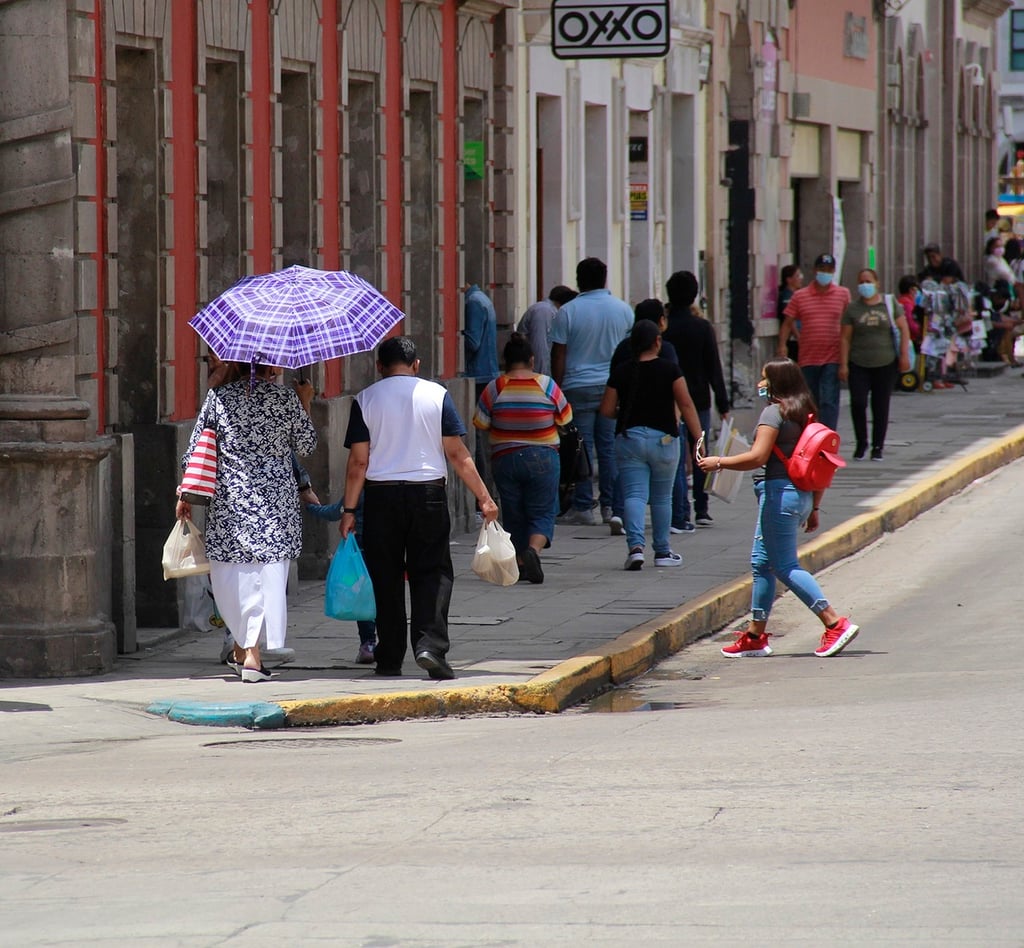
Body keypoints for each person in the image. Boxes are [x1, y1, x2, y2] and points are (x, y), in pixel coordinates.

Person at [338, 336, 498, 680]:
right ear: (417, 365)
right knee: (433, 573)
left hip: (381, 499)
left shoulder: (365, 400)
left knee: (385, 576)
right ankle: (429, 647)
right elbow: (457, 454)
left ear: (379, 366)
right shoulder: (437, 395)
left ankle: (389, 657)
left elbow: (358, 463)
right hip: (428, 495)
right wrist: (483, 498)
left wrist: (349, 510)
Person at [695, 358, 859, 658]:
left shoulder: (773, 412)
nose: (760, 385)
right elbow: (819, 463)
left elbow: (757, 457)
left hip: (779, 494)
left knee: (784, 565)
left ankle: (834, 622)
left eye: (764, 379)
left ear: (777, 384)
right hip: (800, 495)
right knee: (761, 563)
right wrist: (815, 508)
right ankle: (755, 636)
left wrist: (718, 462)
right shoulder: (805, 413)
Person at [176, 361, 317, 682]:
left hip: (231, 503)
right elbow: (307, 445)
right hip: (274, 506)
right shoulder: (285, 400)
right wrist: (304, 400)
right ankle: (251, 655)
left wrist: (185, 492)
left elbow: (195, 451)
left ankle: (243, 647)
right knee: (265, 577)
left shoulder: (218, 398)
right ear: (274, 367)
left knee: (231, 575)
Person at [599, 320, 702, 571]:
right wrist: (698, 439)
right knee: (661, 498)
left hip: (630, 440)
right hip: (664, 441)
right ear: (658, 342)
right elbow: (686, 405)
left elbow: (606, 409)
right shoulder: (671, 370)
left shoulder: (621, 371)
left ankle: (635, 548)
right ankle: (663, 551)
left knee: (634, 494)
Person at [473, 333, 572, 584]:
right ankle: (533, 551)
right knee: (542, 510)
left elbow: (480, 422)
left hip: (505, 458)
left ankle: (519, 562)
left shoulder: (496, 386)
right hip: (544, 457)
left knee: (514, 512)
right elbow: (565, 419)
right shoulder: (547, 385)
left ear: (505, 361)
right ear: (531, 359)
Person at [550, 257, 634, 526]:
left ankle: (584, 506)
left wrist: (557, 389)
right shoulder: (623, 310)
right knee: (608, 448)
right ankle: (610, 507)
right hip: (613, 387)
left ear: (578, 280)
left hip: (577, 386)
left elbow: (559, 355)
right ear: (605, 278)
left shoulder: (568, 311)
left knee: (579, 448)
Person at [662, 270, 731, 532]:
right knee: (700, 452)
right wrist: (723, 405)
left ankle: (680, 509)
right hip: (699, 399)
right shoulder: (702, 327)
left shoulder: (665, 329)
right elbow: (714, 367)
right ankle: (702, 507)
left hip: (670, 402)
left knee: (677, 457)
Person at [839, 268, 911, 461]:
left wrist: (904, 355)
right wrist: (843, 364)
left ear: (877, 283)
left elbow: (904, 329)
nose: (865, 285)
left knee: (880, 405)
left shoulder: (889, 304)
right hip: (858, 363)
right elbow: (845, 338)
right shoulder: (853, 309)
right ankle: (861, 442)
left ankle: (878, 446)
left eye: (868, 281)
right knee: (858, 403)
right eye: (861, 282)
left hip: (885, 363)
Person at [777, 253, 849, 432]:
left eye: (829, 270)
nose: (825, 273)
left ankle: (827, 439)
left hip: (833, 356)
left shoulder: (843, 294)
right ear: (815, 270)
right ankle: (812, 437)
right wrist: (782, 345)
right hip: (808, 357)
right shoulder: (800, 296)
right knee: (810, 402)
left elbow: (849, 326)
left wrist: (847, 359)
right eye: (821, 269)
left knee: (829, 399)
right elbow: (787, 323)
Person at [304, 494, 378, 663]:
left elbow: (334, 512)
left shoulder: (359, 491)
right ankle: (389, 643)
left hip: (359, 554)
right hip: (387, 549)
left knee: (361, 596)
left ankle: (368, 644)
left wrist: (311, 507)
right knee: (386, 596)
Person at [517, 285, 577, 376]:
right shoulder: (544, 311)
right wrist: (542, 378)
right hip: (532, 373)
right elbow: (540, 347)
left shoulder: (548, 311)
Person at [778, 264, 804, 362]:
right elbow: (789, 320)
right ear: (789, 279)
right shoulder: (787, 296)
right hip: (792, 339)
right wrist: (798, 336)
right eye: (797, 276)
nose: (800, 279)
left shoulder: (797, 295)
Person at [895, 275, 922, 345]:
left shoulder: (901, 301)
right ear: (911, 289)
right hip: (910, 340)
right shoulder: (907, 304)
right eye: (916, 289)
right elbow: (911, 324)